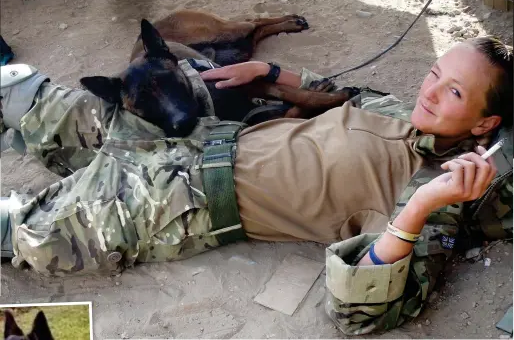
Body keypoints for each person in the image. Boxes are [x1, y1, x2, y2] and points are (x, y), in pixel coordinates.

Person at [0, 37, 512, 335]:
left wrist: (421, 206)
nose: (431, 92)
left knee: (30, 234)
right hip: (195, 131)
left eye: (455, 92)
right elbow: (342, 92)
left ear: (486, 126)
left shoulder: (439, 193)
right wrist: (266, 69)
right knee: (34, 100)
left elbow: (360, 314)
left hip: (184, 198)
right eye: (434, 74)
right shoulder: (406, 110)